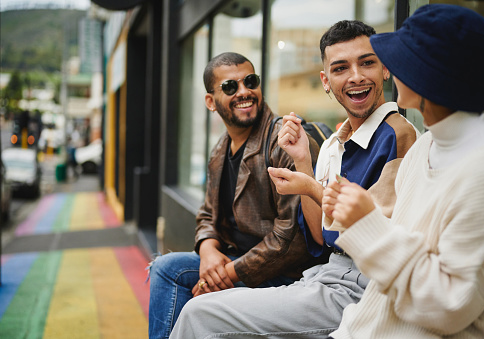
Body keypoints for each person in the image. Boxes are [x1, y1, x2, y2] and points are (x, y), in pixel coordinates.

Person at [169, 20, 419, 339]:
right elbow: (318, 235)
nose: (356, 76)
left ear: (386, 69)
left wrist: (312, 187)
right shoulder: (331, 145)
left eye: (367, 62)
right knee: (188, 290)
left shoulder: (398, 134)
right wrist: (303, 161)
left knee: (198, 312)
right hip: (323, 276)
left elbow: (379, 241)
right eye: (341, 68)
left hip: (363, 286)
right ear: (325, 81)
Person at [325, 5, 484, 338]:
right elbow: (393, 274)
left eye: (400, 59)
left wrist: (367, 224)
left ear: (428, 76)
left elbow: (448, 306)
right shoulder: (427, 146)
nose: (389, 69)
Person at [148, 52, 324, 339]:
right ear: (210, 102)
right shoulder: (221, 148)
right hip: (236, 261)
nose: (244, 92)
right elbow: (207, 213)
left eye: (250, 81)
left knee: (199, 301)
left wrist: (226, 273)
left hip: (283, 275)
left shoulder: (284, 141)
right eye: (230, 87)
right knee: (165, 268)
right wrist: (207, 252)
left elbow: (292, 238)